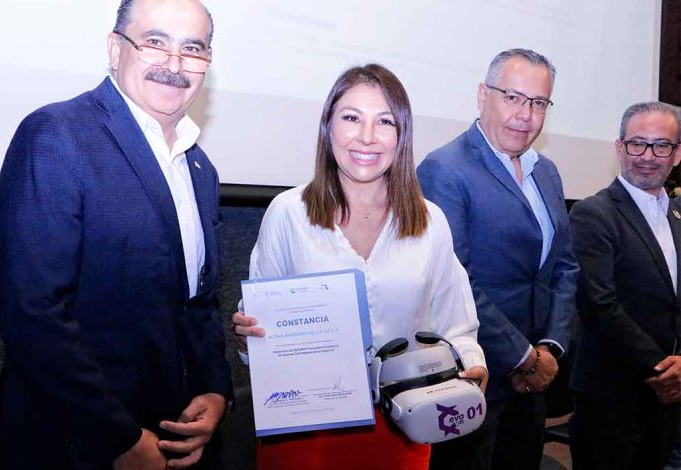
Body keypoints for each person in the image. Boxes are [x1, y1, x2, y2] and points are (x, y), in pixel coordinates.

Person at [0, 1, 232, 468]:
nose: (175, 64)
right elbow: (33, 314)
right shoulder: (57, 135)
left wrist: (215, 389)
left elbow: (198, 303)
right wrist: (116, 437)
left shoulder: (200, 169)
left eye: (192, 49)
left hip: (168, 437)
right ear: (116, 49)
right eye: (155, 42)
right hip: (72, 446)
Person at [231, 64, 488, 470]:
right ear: (328, 127)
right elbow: (262, 334)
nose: (367, 136)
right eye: (351, 118)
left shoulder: (430, 221)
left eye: (384, 121)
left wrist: (471, 363)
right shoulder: (287, 214)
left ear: (402, 135)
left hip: (405, 423)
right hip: (304, 428)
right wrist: (251, 339)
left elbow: (456, 324)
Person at [416, 48, 579, 470]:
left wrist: (550, 348)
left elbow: (564, 267)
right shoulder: (444, 168)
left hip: (536, 378)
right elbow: (455, 281)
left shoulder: (547, 171)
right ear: (482, 95)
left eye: (538, 102)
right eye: (512, 97)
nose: (525, 115)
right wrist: (522, 357)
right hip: (475, 375)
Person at [568, 101, 681, 470]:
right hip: (612, 398)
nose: (647, 156)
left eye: (661, 145)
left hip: (669, 400)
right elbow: (599, 305)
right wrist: (663, 369)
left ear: (677, 154)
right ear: (619, 148)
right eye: (637, 144)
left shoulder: (678, 216)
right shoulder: (592, 213)